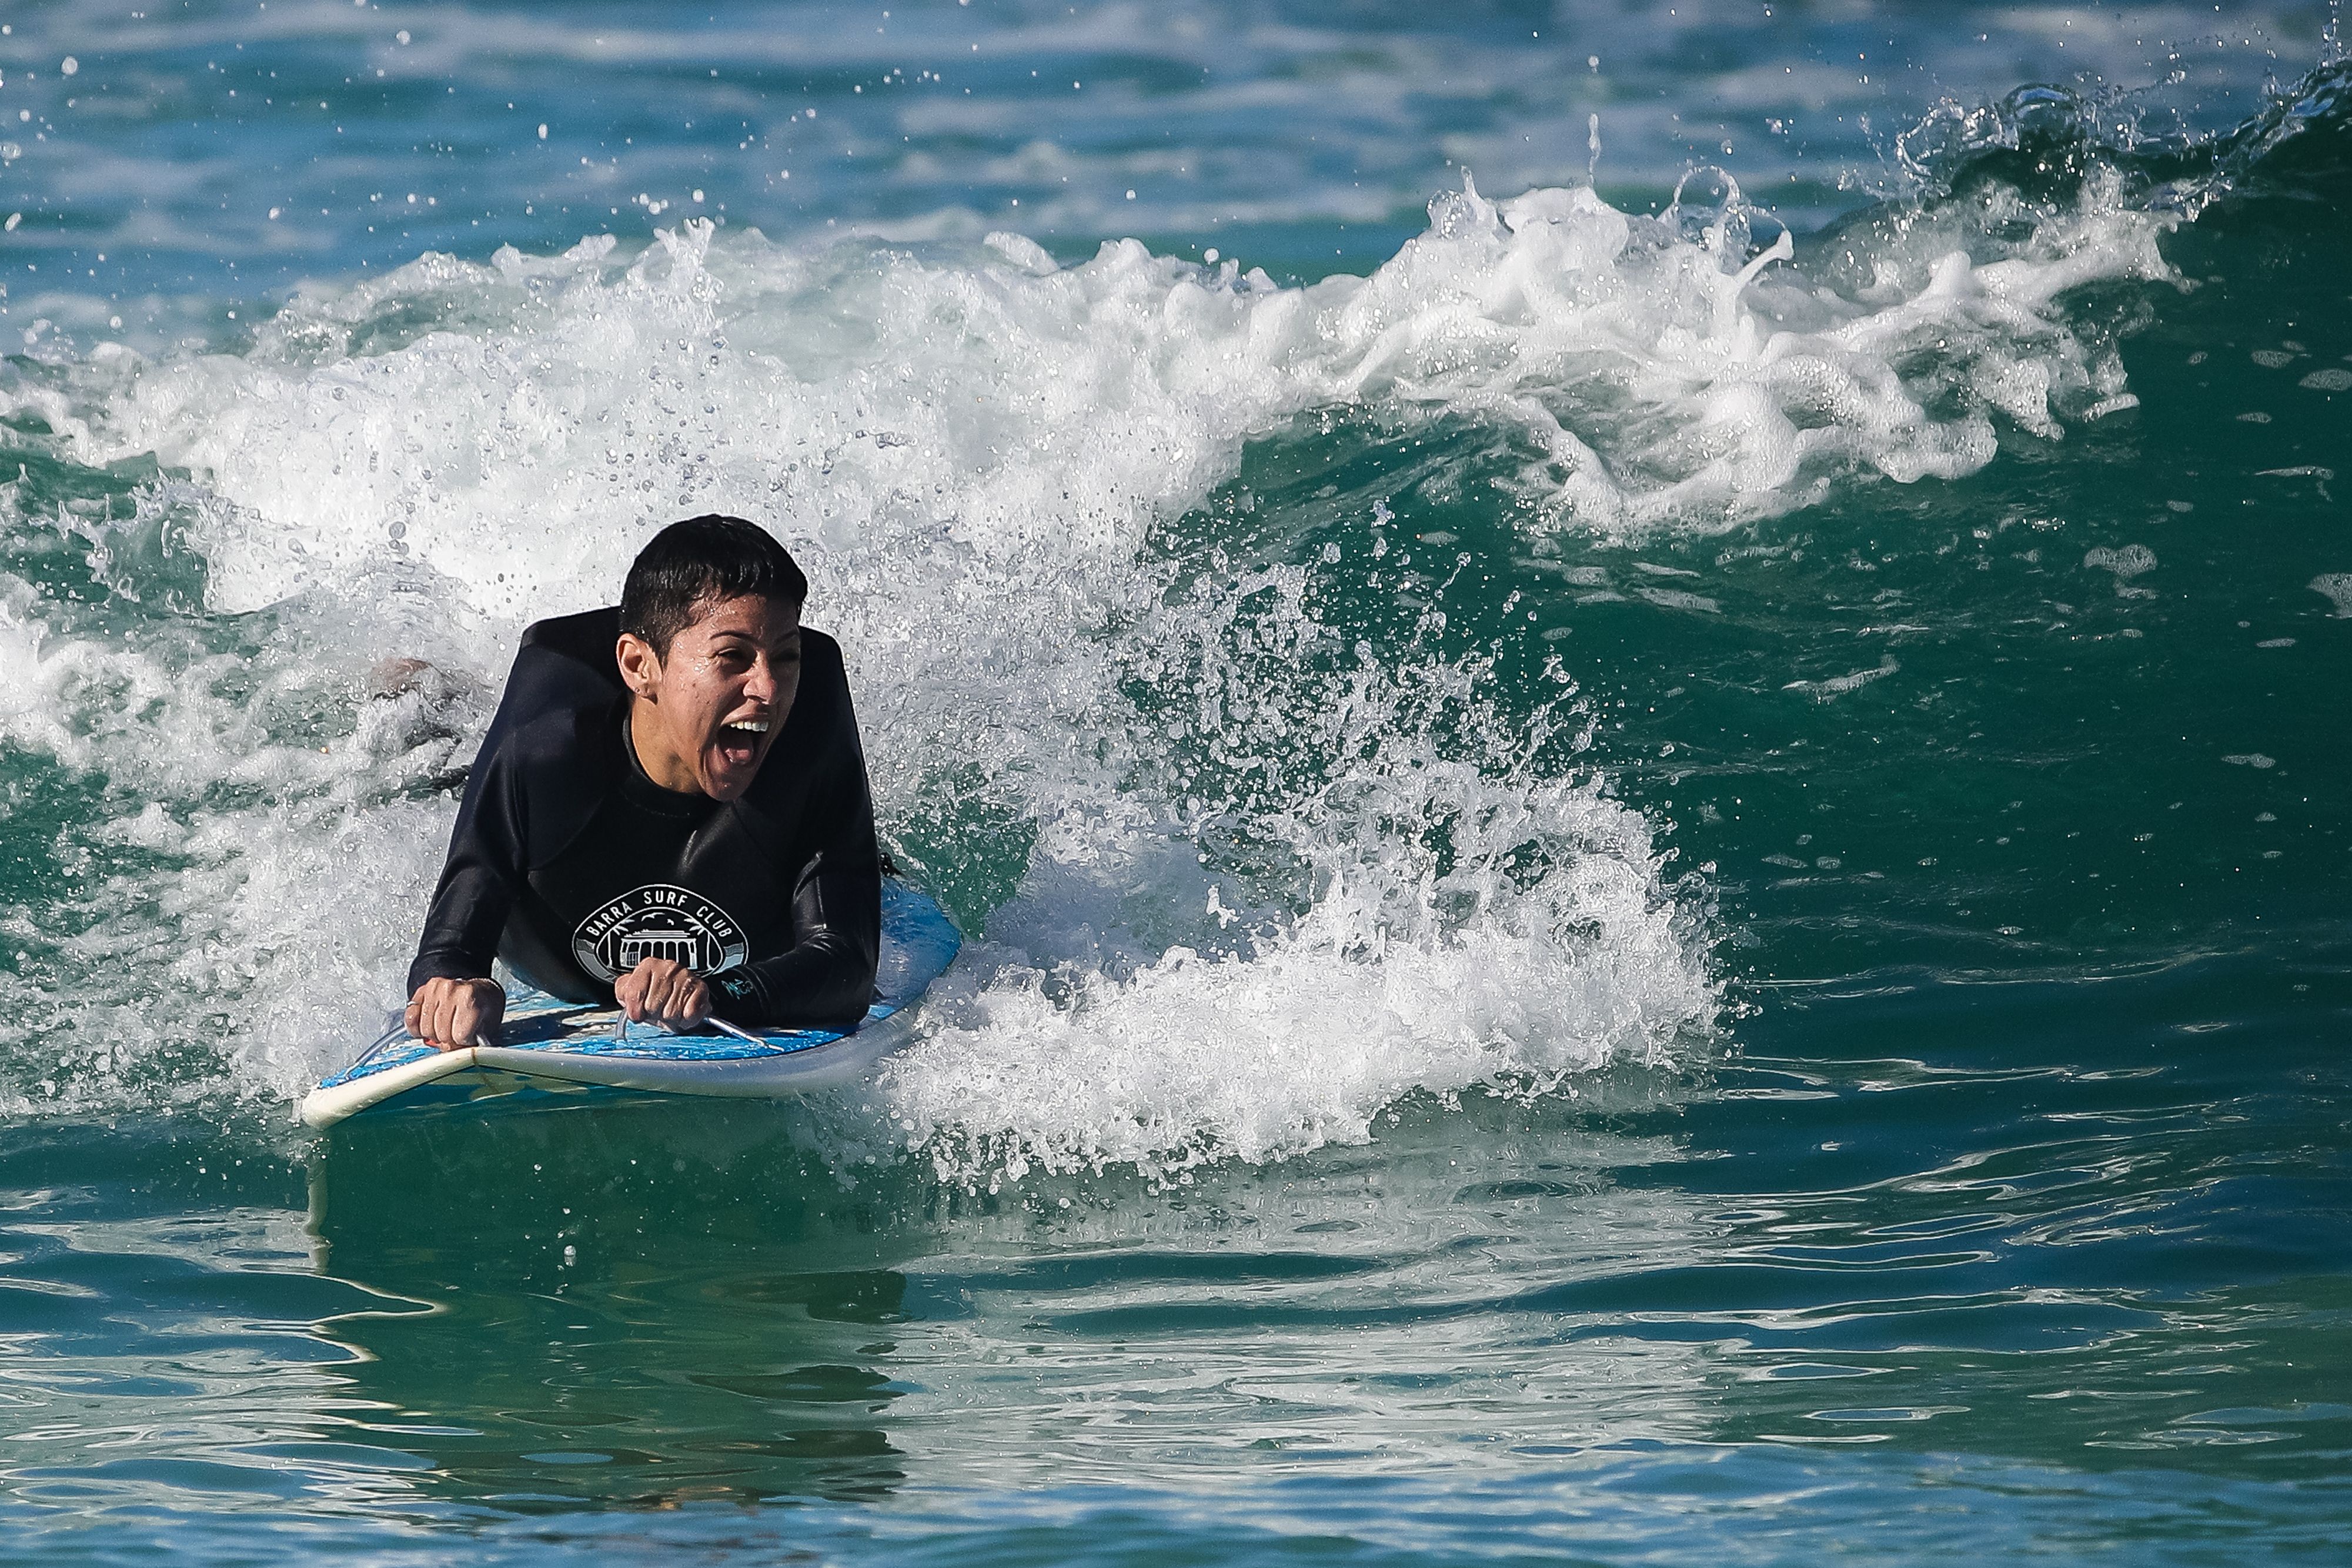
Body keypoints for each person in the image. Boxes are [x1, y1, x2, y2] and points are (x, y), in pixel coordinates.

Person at [402, 514, 880, 1051]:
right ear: (638, 665)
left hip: (742, 949)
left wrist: (715, 994)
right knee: (433, 763)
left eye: (786, 657)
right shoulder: (543, 750)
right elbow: (448, 954)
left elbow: (847, 963)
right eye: (733, 657)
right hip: (557, 959)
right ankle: (428, 693)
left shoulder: (808, 735)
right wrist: (460, 991)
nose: (769, 688)